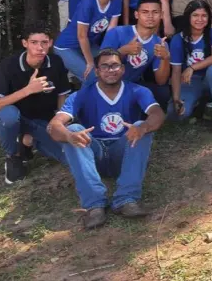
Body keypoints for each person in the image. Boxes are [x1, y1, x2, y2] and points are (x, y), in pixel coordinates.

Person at [46, 49, 166, 229]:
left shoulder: (137, 90)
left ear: (123, 69)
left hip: (123, 153)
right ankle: (94, 205)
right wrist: (69, 136)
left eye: (115, 65)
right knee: (73, 130)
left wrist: (143, 127)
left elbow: (157, 114)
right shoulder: (82, 94)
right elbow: (54, 126)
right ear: (97, 71)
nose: (110, 70)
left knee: (141, 126)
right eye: (105, 66)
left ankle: (126, 199)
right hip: (94, 156)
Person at [0, 22, 70, 184]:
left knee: (67, 155)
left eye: (44, 42)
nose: (40, 48)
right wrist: (28, 90)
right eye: (34, 42)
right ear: (25, 43)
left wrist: (60, 122)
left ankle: (27, 141)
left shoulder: (55, 62)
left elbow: (62, 95)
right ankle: (13, 156)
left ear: (50, 43)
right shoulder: (9, 65)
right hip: (16, 119)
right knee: (8, 116)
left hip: (43, 120)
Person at [99, 0, 172, 106]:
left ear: (161, 15)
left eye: (155, 12)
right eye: (145, 12)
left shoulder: (160, 43)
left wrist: (165, 59)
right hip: (106, 83)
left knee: (162, 92)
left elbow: (161, 81)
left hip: (131, 85)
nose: (150, 16)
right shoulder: (117, 32)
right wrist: (123, 51)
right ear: (136, 14)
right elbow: (101, 65)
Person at [168, 0, 212, 131]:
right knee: (177, 114)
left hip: (211, 77)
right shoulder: (178, 38)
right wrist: (176, 98)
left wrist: (192, 67)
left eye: (204, 15)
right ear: (188, 17)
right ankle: (201, 104)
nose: (200, 19)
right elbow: (176, 71)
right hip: (191, 80)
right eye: (195, 15)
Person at [54, 0, 123, 80]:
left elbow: (111, 31)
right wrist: (90, 62)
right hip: (67, 47)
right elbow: (82, 36)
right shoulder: (87, 4)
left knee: (112, 68)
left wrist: (109, 55)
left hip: (89, 45)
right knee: (93, 76)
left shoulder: (116, 1)